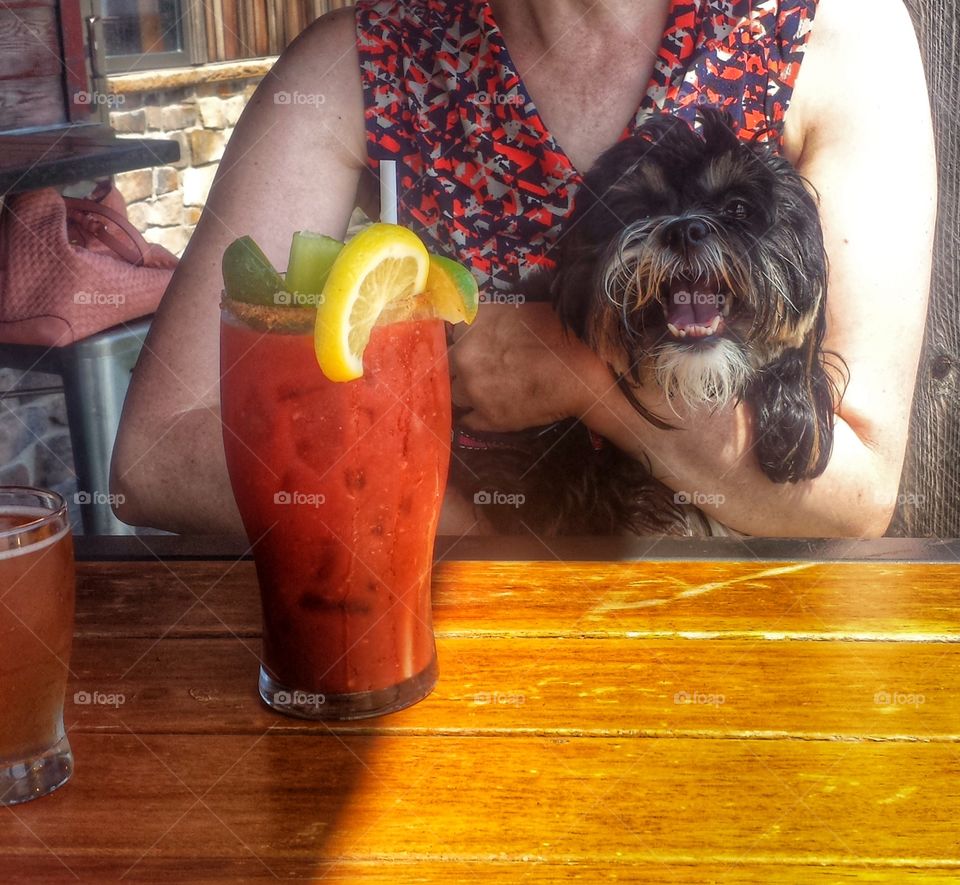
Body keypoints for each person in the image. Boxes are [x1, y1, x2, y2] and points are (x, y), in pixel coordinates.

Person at [111, 0, 937, 538]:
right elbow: (157, 457)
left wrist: (576, 375)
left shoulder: (833, 33)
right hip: (458, 635)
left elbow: (856, 489)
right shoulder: (366, 62)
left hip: (744, 621)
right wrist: (464, 530)